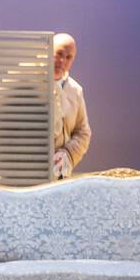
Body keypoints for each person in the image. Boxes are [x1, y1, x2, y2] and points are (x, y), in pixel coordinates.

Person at [51, 32, 91, 178]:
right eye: (59, 53)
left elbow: (83, 132)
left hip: (58, 175)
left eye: (68, 57)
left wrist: (67, 153)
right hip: (25, 170)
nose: (62, 61)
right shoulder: (29, 82)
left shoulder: (75, 91)